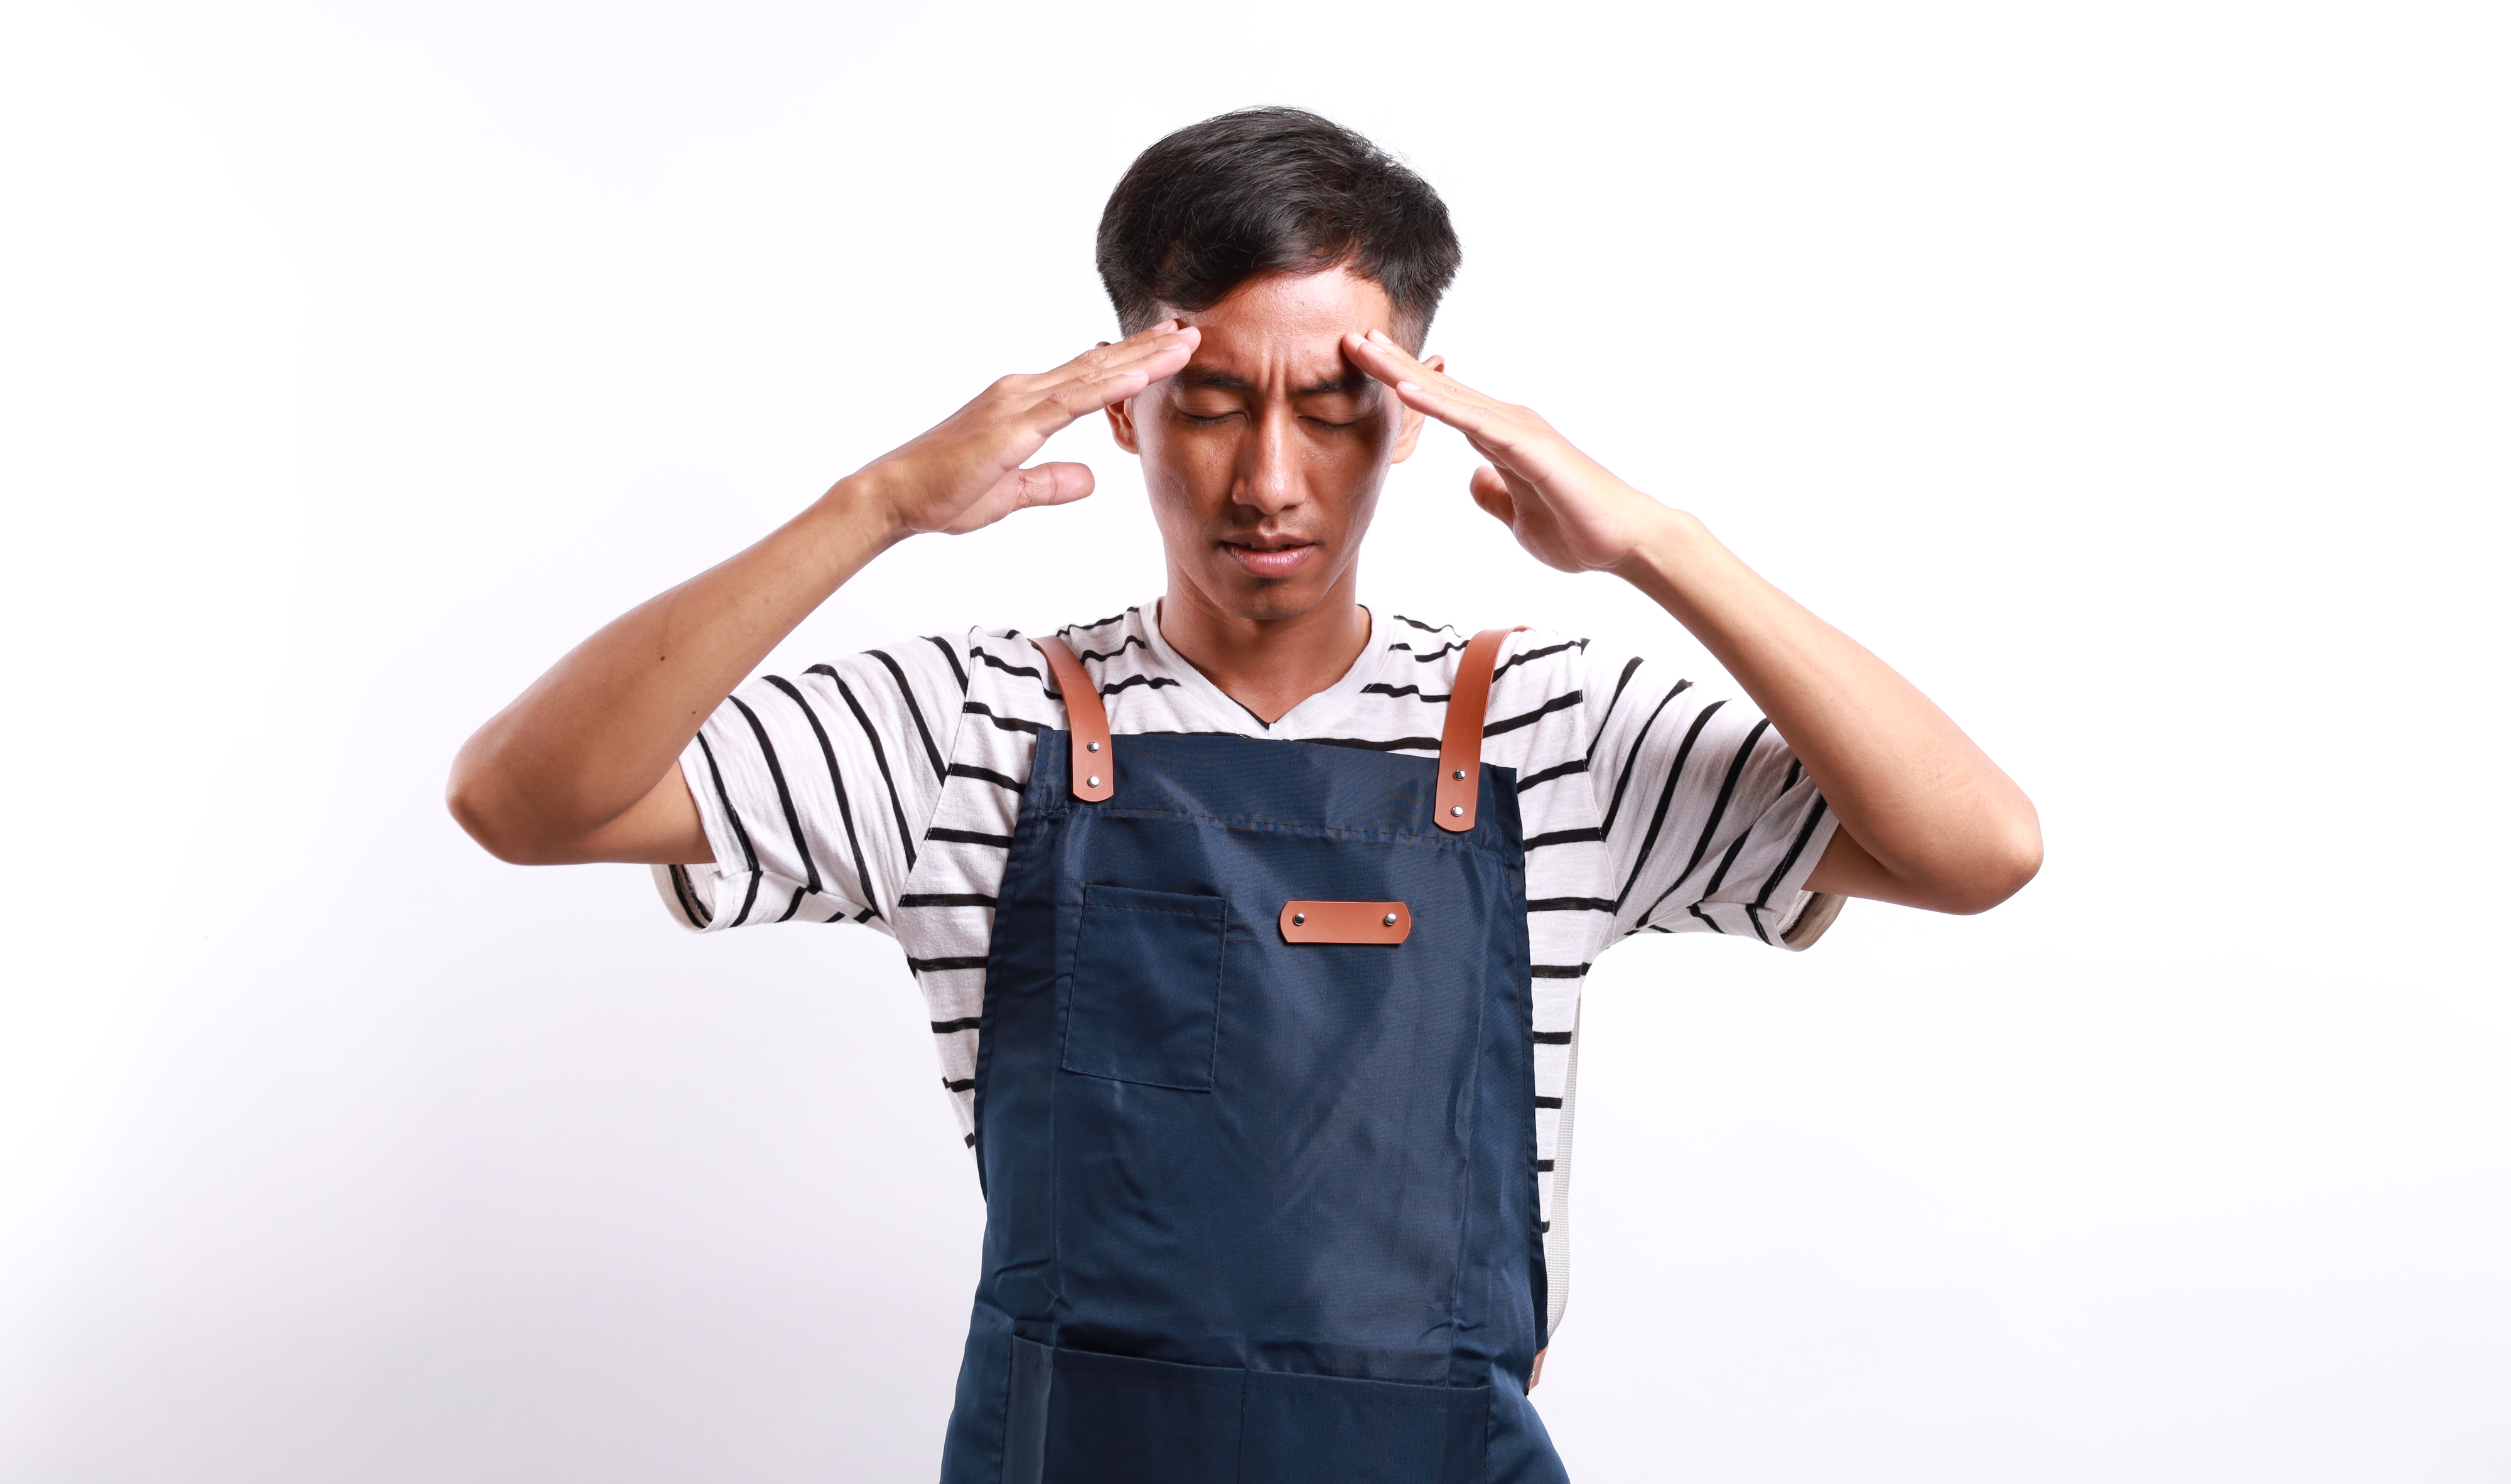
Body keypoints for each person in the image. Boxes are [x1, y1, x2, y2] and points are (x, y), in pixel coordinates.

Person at [448, 107, 2041, 1483]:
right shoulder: (970, 723)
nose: (1268, 478)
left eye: (1333, 403)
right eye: (1211, 401)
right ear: (1123, 399)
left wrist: (1655, 543)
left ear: (1415, 407)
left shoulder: (1549, 728)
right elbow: (522, 798)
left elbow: (1975, 847)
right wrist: (874, 505)